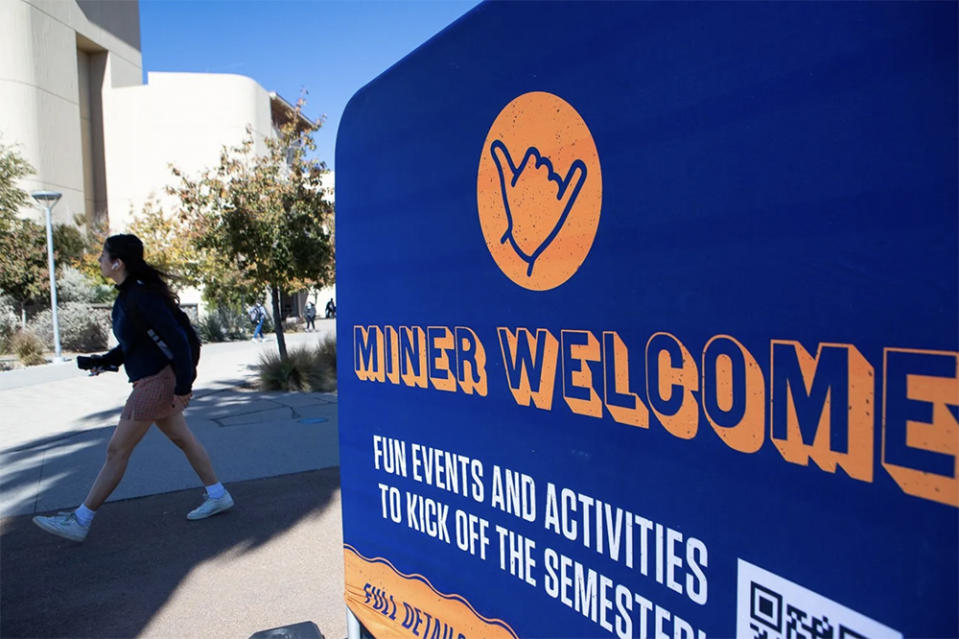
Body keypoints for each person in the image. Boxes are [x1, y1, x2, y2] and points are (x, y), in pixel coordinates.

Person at [32, 234, 233, 543]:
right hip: (154, 378)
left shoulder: (140, 296)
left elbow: (179, 339)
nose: (99, 260)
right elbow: (134, 344)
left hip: (156, 382)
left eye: (103, 255)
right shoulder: (129, 295)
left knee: (117, 450)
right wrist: (104, 361)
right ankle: (217, 494)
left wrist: (183, 385)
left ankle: (80, 520)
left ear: (118, 262)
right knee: (183, 438)